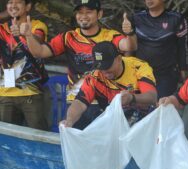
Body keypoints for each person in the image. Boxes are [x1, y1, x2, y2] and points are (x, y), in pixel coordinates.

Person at [20, 0, 137, 129]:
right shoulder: (68, 37)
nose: (84, 16)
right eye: (80, 12)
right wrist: (28, 36)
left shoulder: (110, 36)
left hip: (106, 104)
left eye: (89, 12)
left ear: (99, 14)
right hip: (76, 103)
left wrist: (130, 33)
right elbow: (39, 52)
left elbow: (129, 45)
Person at [60, 41, 157, 128]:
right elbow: (80, 103)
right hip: (113, 121)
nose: (105, 71)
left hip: (143, 121)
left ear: (119, 59)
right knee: (79, 120)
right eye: (101, 67)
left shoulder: (139, 67)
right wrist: (69, 121)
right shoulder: (95, 75)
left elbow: (152, 97)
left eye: (108, 66)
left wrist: (132, 98)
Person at [0, 0, 48, 130]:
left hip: (31, 93)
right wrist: (6, 14)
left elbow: (38, 41)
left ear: (28, 6)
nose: (13, 5)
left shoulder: (38, 26)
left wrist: (23, 33)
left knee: (39, 137)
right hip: (5, 94)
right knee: (7, 140)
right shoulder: (2, 28)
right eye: (10, 2)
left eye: (18, 2)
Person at [133, 0, 188, 99]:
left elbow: (182, 47)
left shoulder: (176, 18)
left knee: (160, 107)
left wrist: (183, 71)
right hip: (141, 73)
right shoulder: (136, 18)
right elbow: (130, 46)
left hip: (166, 74)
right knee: (139, 107)